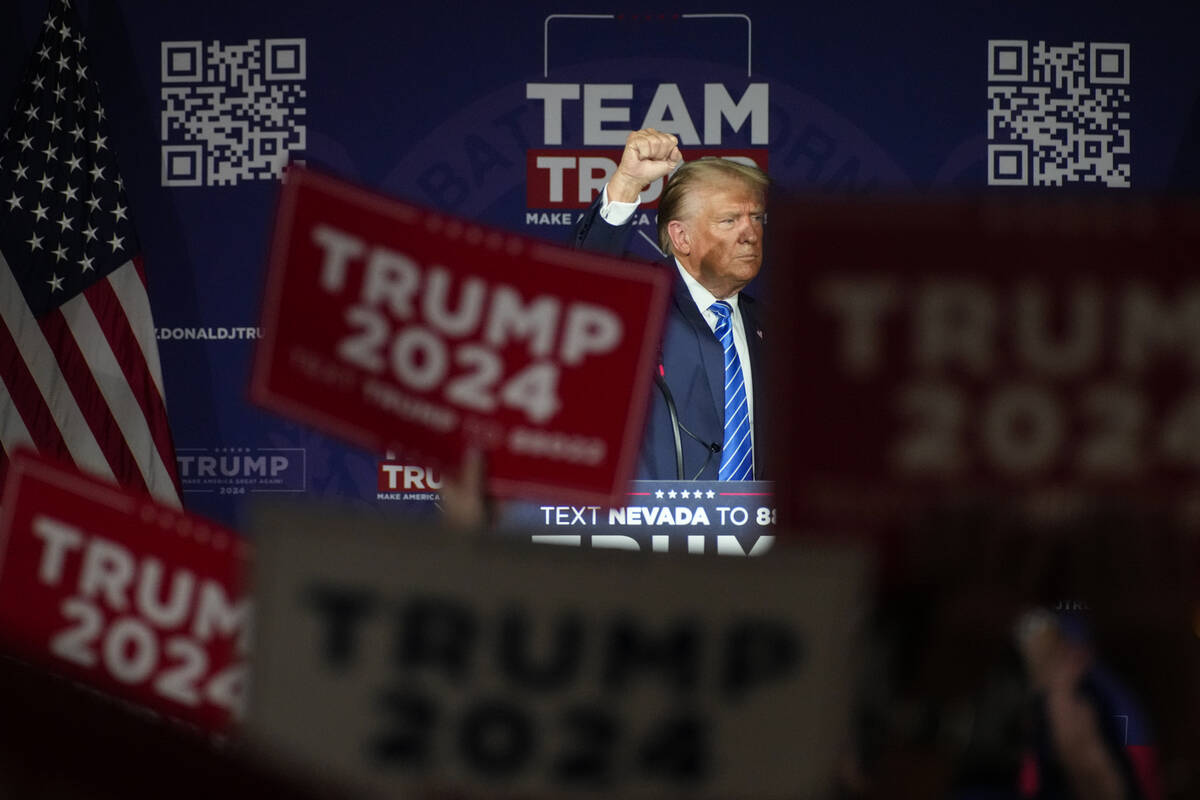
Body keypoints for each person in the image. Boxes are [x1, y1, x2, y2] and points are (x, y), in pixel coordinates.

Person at [571, 128, 769, 481]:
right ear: (681, 237)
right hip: (653, 530)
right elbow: (584, 280)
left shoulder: (775, 324)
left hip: (760, 531)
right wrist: (628, 183)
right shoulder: (642, 299)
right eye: (730, 220)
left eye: (755, 218)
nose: (750, 233)